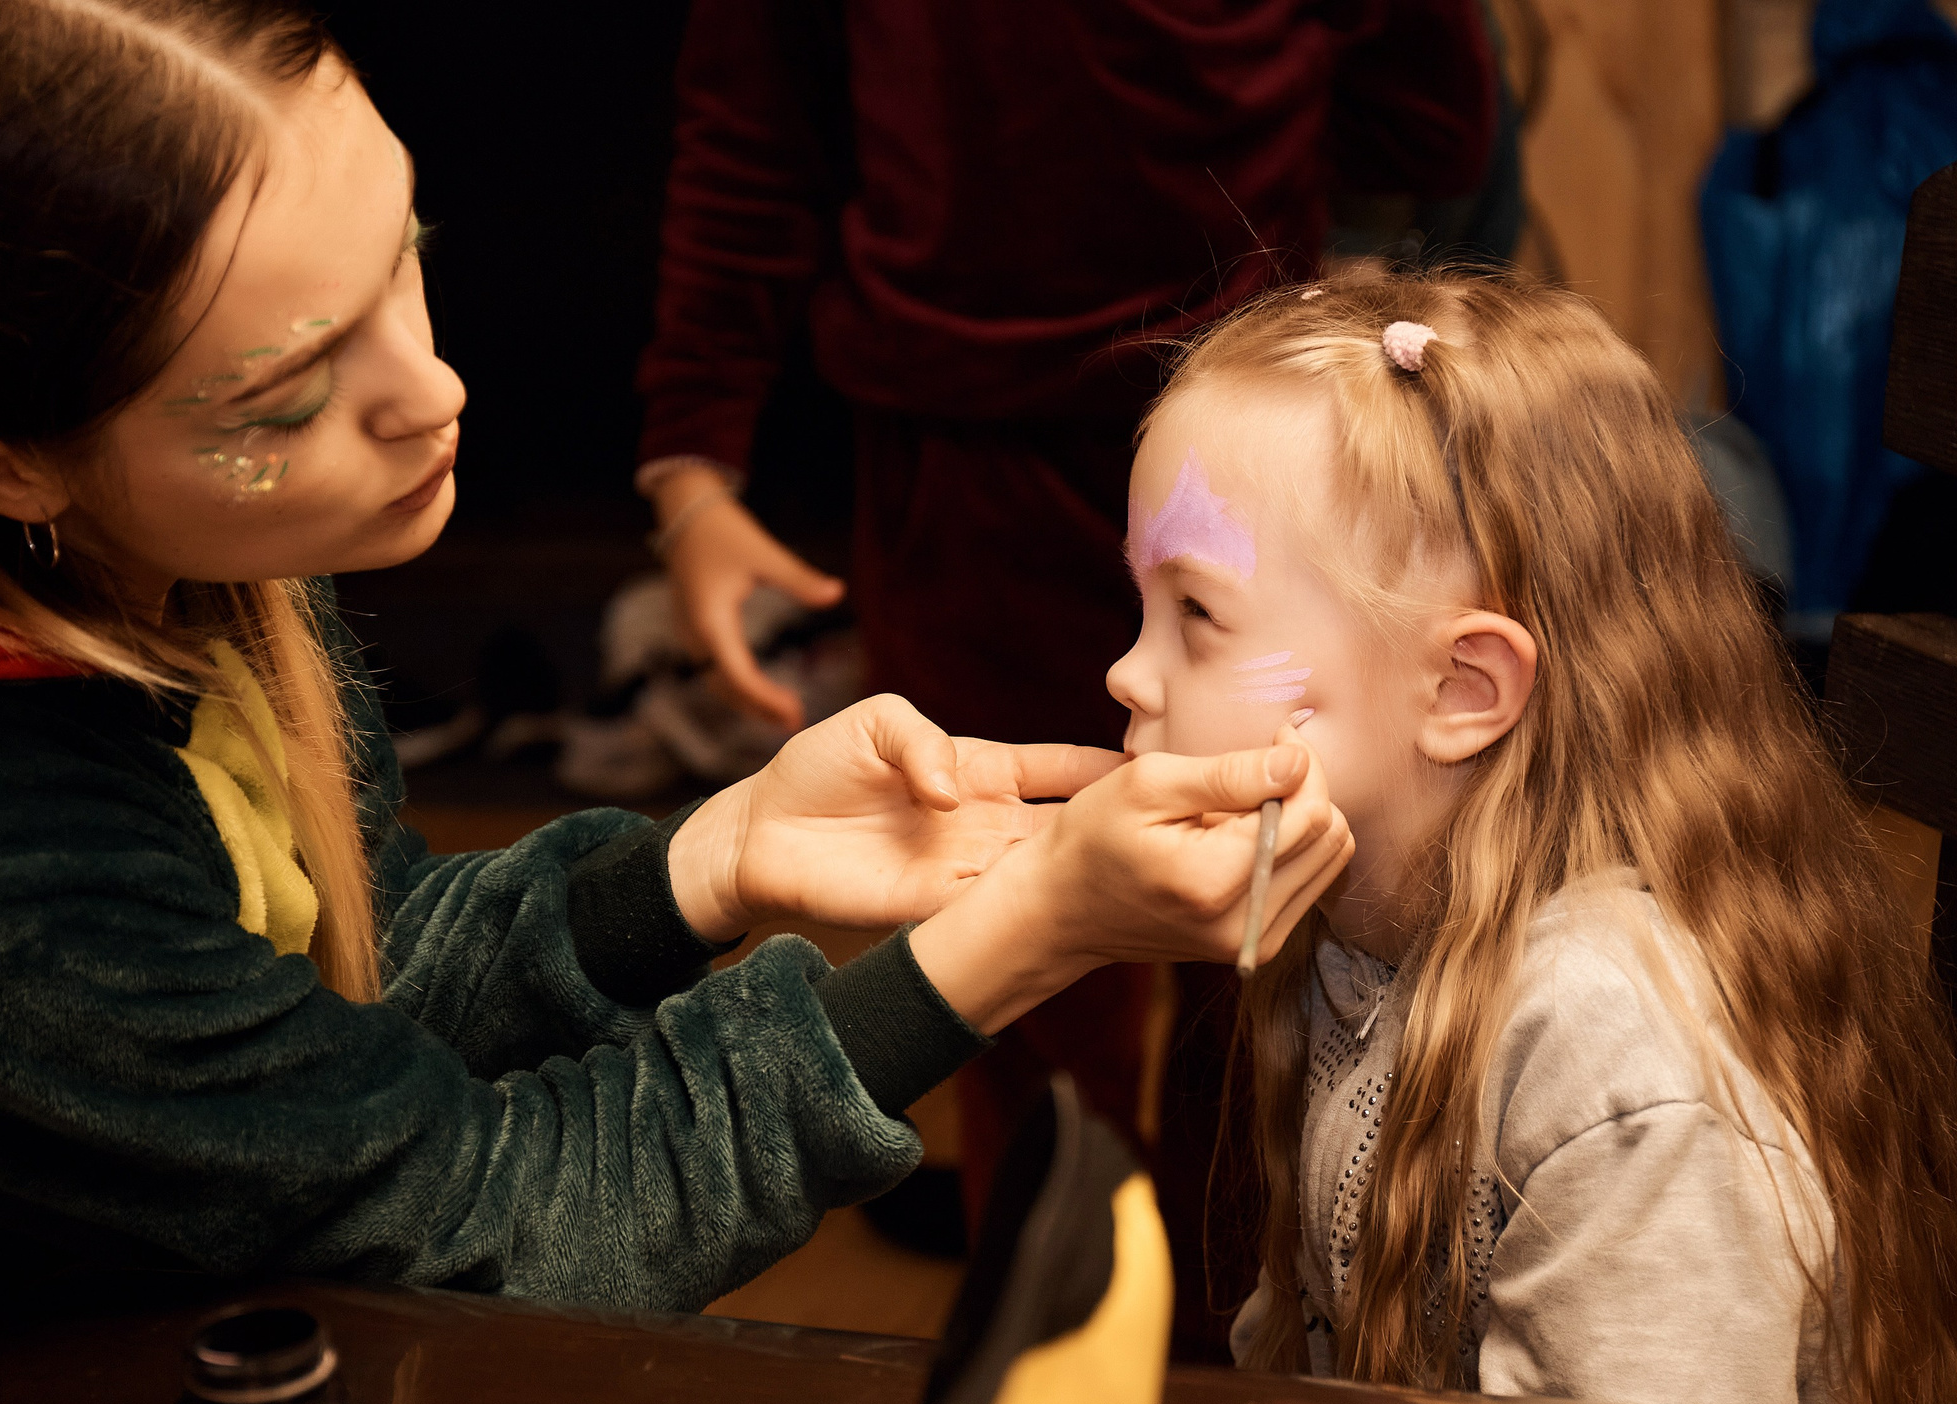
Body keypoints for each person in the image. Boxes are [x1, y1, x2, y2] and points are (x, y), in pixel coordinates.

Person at [0, 0, 1356, 1404]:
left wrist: (705, 866)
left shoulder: (92, 416)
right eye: (290, 393)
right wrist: (1018, 939)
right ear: (4, 468)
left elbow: (328, 1019)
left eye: (404, 260)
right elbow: (479, 1222)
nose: (431, 390)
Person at [633, 0, 1501, 1314]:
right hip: (962, 472)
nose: (1129, 678)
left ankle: (1238, 1372)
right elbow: (754, 123)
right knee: (1025, 946)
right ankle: (1059, 1358)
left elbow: (1433, 117)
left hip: (1247, 451)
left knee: (1271, 967)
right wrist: (692, 459)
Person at [1104, 265, 1957, 1404]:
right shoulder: (1352, 930)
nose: (1126, 675)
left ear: (1460, 688)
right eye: (1141, 607)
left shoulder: (1609, 1048)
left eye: (1195, 616)